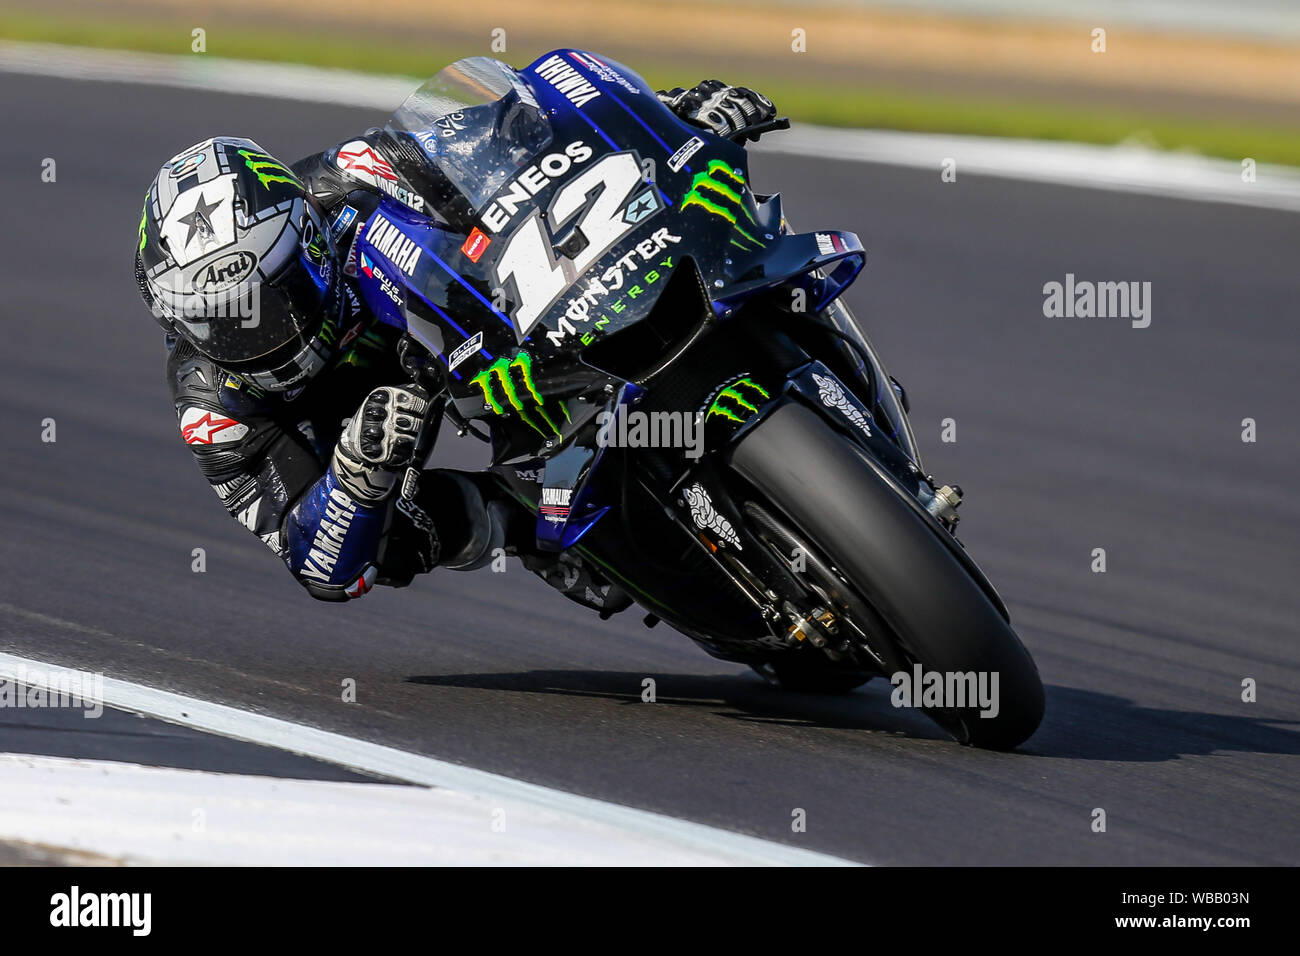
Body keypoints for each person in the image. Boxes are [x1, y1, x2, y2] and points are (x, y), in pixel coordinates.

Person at [134, 66, 776, 607]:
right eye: (220, 323)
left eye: (273, 300)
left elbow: (516, 132)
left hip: (472, 328)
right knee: (397, 538)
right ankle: (532, 525)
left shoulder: (348, 177)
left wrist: (670, 119)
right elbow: (319, 568)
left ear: (309, 242)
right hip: (377, 431)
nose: (257, 336)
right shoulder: (213, 409)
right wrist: (358, 477)